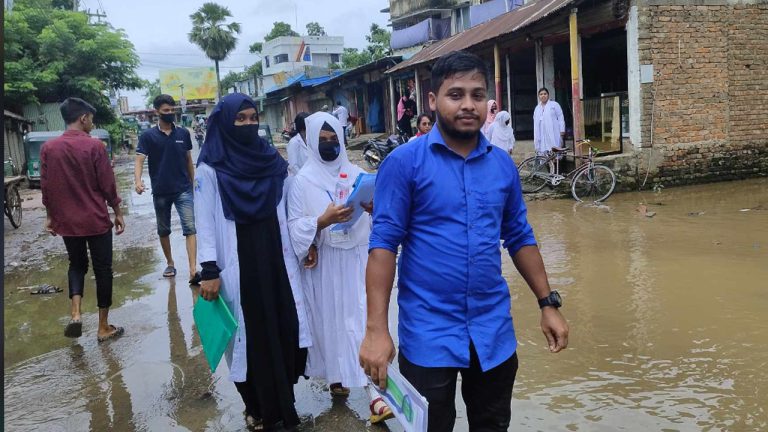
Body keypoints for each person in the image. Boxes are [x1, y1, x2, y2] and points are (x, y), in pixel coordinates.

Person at [359, 50, 570, 432]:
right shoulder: (404, 163)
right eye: (455, 94)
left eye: (477, 94)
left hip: (493, 330)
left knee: (492, 424)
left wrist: (547, 303)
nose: (468, 105)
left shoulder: (502, 165)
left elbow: (519, 236)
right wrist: (376, 329)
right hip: (428, 330)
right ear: (432, 101)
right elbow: (383, 246)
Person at [194, 93, 312, 431]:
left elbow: (295, 202)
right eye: (240, 119)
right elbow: (204, 222)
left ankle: (283, 406)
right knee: (248, 340)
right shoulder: (210, 168)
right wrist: (209, 270)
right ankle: (256, 409)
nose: (248, 124)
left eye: (252, 117)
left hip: (276, 262)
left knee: (283, 331)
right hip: (238, 267)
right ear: (225, 123)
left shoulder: (271, 160)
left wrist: (316, 230)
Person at [287, 112, 394, 424]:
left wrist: (375, 209)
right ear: (310, 142)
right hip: (327, 266)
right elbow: (294, 228)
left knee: (363, 323)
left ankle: (375, 394)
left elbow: (381, 218)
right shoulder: (301, 182)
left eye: (334, 139)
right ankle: (338, 376)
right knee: (333, 324)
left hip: (359, 261)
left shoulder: (358, 174)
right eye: (322, 141)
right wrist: (322, 221)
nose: (329, 145)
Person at [41, 97, 126, 342]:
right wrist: (117, 211)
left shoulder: (49, 148)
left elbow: (47, 188)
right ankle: (102, 327)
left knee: (76, 265)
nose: (92, 122)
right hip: (95, 220)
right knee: (103, 270)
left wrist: (50, 216)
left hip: (68, 221)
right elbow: (107, 185)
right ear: (83, 118)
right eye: (91, 118)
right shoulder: (95, 147)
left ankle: (76, 314)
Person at [135, 94, 200, 285]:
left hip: (183, 189)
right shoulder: (148, 136)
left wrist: (193, 182)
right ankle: (170, 263)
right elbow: (139, 159)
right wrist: (137, 181)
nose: (170, 113)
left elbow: (188, 159)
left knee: (190, 228)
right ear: (157, 112)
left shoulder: (183, 134)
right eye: (166, 111)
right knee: (164, 230)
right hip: (161, 190)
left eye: (172, 110)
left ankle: (193, 269)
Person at [533, 87, 566, 155]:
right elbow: (535, 122)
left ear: (548, 95)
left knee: (555, 151)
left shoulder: (554, 105)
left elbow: (560, 117)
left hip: (554, 132)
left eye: (545, 94)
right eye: (541, 94)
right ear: (538, 96)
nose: (543, 95)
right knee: (543, 153)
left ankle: (556, 164)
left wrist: (562, 130)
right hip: (542, 134)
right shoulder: (537, 108)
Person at [287, 112, 310, 176]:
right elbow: (293, 166)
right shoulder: (294, 142)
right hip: (299, 179)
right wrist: (303, 178)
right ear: (303, 128)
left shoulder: (309, 140)